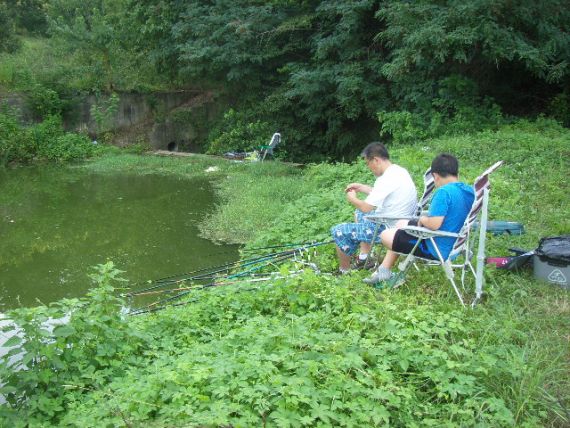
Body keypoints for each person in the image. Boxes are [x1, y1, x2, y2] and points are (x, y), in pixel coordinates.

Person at [364, 153, 475, 285]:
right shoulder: (469, 191)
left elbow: (434, 224)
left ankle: (384, 271)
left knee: (386, 235)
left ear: (435, 176)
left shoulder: (444, 192)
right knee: (401, 224)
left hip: (436, 247)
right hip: (453, 240)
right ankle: (384, 270)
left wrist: (422, 220)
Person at [330, 142, 417, 274]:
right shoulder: (398, 171)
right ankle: (365, 257)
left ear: (375, 160)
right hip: (402, 220)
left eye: (367, 163)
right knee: (359, 213)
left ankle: (344, 271)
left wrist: (352, 198)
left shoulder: (386, 179)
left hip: (389, 227)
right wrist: (361, 187)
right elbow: (382, 193)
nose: (369, 167)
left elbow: (366, 207)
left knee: (338, 231)